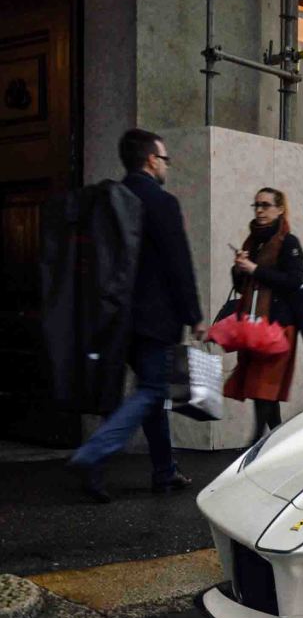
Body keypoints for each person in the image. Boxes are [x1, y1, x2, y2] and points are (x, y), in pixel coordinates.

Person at [67, 129, 207, 503]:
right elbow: (179, 263)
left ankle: (164, 471)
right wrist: (194, 314)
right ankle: (94, 452)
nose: (166, 166)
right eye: (165, 159)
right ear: (151, 161)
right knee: (153, 390)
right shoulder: (161, 202)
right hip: (154, 319)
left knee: (148, 390)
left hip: (114, 317)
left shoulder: (109, 199)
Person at [225, 187, 303, 440]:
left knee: (264, 389)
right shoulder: (253, 241)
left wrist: (255, 269)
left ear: (280, 209)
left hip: (279, 326)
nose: (260, 210)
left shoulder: (288, 242)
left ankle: (254, 446)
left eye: (266, 205)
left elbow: (293, 281)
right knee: (265, 391)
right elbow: (241, 286)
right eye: (257, 205)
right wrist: (239, 269)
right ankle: (279, 444)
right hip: (254, 325)